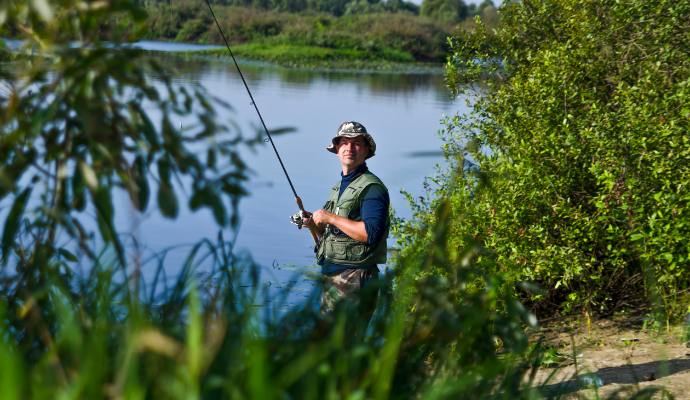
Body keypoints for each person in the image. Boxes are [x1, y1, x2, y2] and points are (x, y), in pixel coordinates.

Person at [302, 121, 390, 327]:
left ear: (366, 150)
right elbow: (333, 232)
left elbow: (371, 234)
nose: (349, 148)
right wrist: (312, 223)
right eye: (344, 143)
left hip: (356, 279)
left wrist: (330, 217)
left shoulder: (372, 188)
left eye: (356, 143)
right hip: (335, 275)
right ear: (337, 149)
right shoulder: (340, 186)